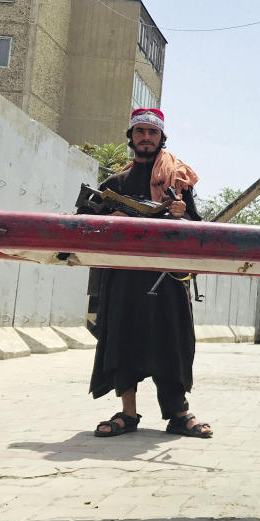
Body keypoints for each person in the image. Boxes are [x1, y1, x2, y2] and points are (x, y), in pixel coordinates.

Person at [86, 108, 212, 439]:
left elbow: (197, 230)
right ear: (131, 136)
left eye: (151, 133)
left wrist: (182, 214)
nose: (145, 137)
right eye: (139, 131)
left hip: (167, 278)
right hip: (124, 279)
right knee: (122, 342)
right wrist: (108, 217)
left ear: (160, 138)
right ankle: (128, 414)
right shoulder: (114, 184)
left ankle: (178, 414)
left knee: (172, 343)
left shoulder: (177, 183)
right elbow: (85, 224)